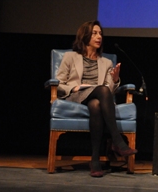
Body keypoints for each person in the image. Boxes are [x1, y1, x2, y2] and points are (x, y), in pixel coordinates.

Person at [56, 20, 137, 177]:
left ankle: (95, 161)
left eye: (100, 33)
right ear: (85, 36)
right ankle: (117, 141)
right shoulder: (70, 57)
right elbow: (59, 84)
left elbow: (108, 90)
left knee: (95, 104)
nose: (99, 36)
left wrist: (114, 79)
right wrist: (74, 87)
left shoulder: (106, 62)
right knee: (101, 91)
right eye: (94, 33)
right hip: (76, 95)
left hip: (97, 97)